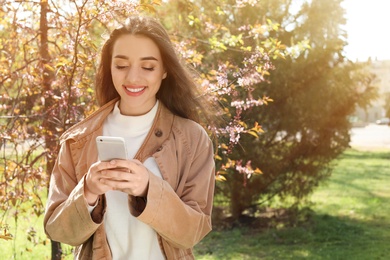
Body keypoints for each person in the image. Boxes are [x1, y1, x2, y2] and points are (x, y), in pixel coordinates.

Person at [44, 15, 216, 260]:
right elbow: (59, 230)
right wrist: (88, 191)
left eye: (148, 67)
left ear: (165, 70)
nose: (133, 78)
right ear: (109, 67)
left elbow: (193, 232)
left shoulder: (192, 139)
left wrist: (148, 188)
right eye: (121, 65)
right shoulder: (78, 140)